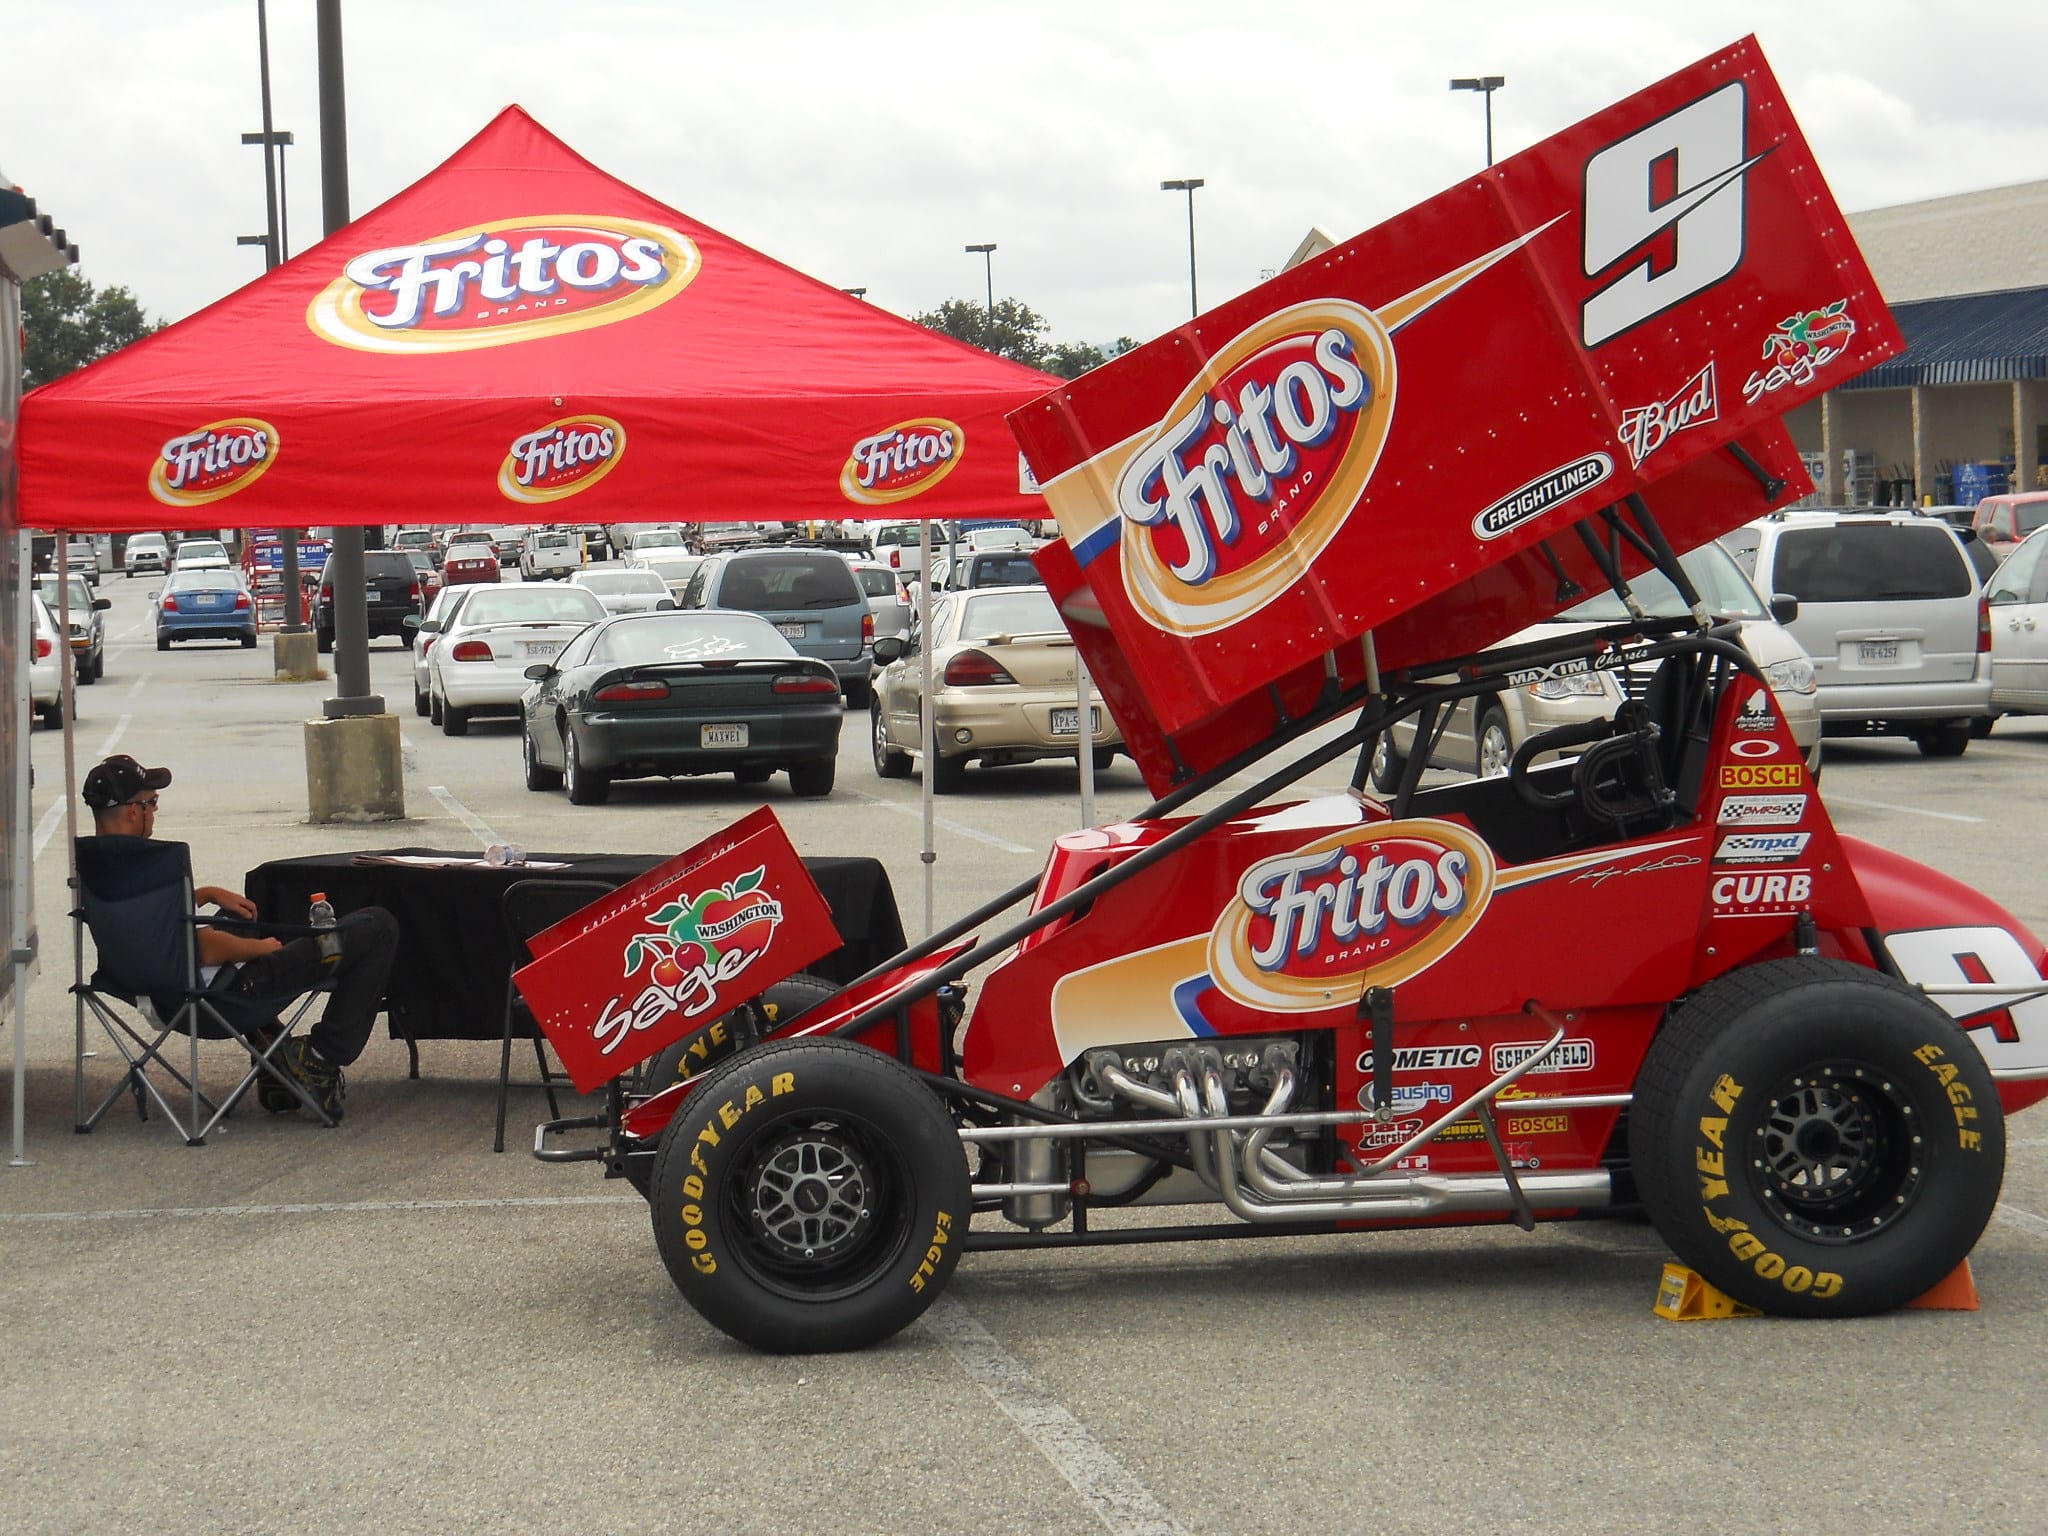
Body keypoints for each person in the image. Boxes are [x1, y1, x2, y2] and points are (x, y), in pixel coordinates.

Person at [83, 753, 398, 1124]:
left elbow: (151, 925)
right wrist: (260, 949)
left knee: (246, 912)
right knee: (375, 927)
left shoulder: (99, 867)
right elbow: (203, 948)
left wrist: (206, 894)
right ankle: (319, 1057)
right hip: (234, 993)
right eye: (152, 803)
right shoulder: (155, 863)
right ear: (133, 811)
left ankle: (274, 1060)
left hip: (162, 999)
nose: (155, 811)